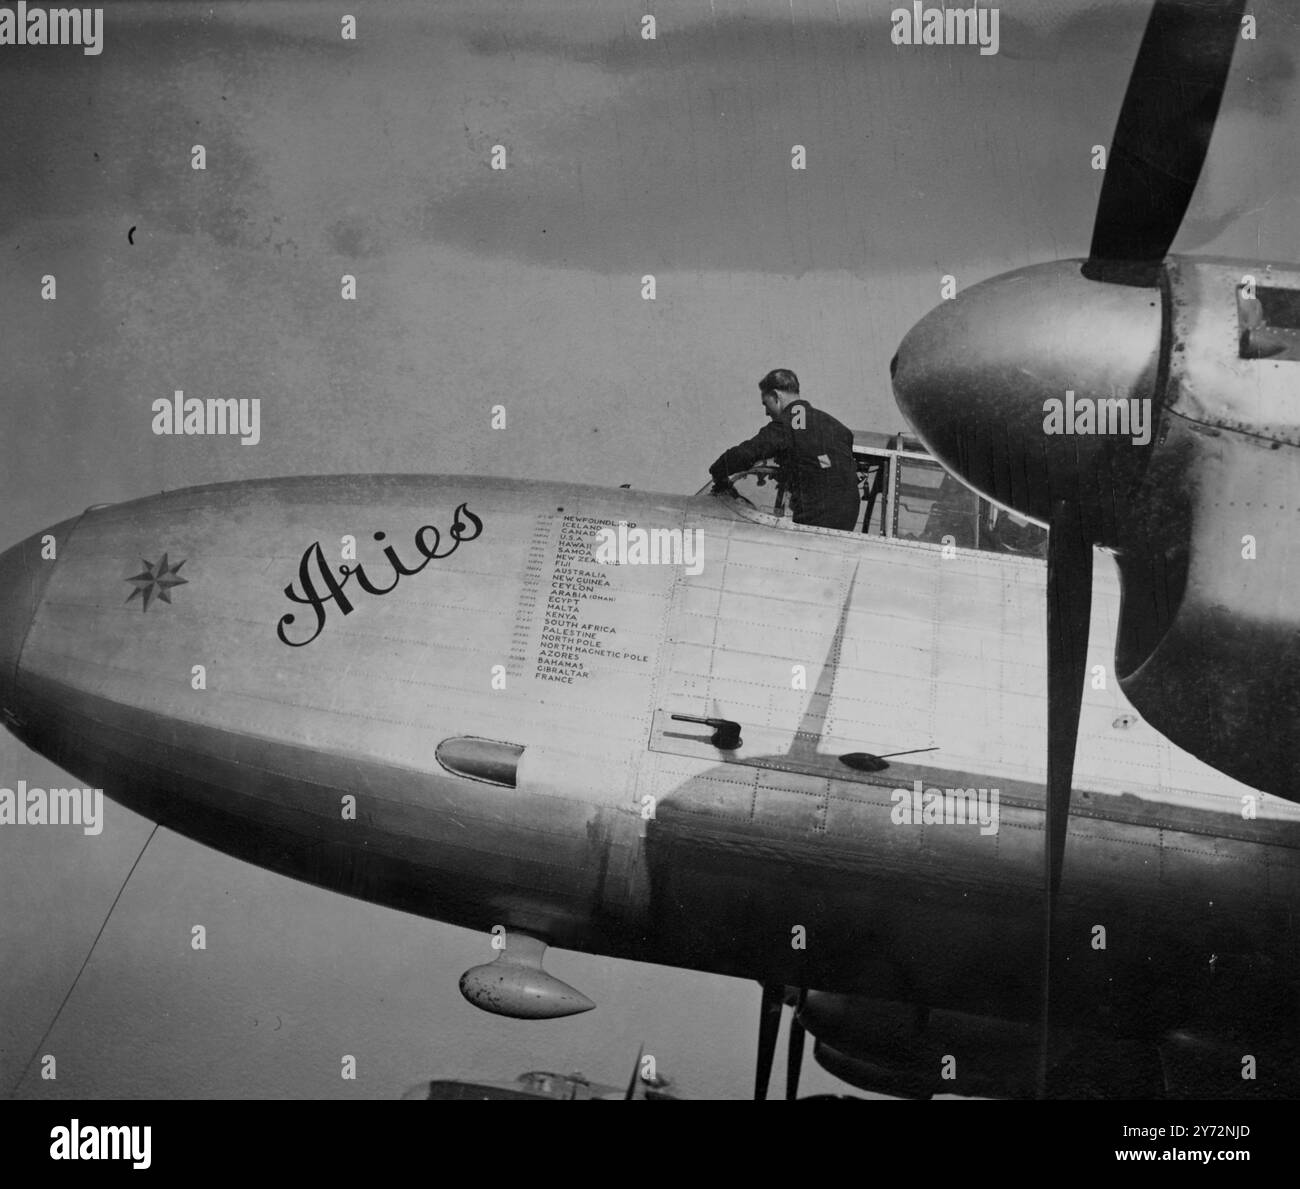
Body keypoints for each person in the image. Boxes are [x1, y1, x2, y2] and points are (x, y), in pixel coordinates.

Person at [709, 369, 860, 531]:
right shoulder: (837, 427)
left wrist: (717, 471)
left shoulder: (791, 422)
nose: (766, 412)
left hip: (814, 524)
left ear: (775, 396)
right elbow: (821, 463)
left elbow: (746, 454)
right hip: (846, 523)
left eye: (766, 404)